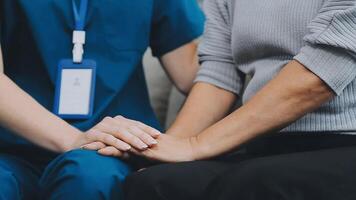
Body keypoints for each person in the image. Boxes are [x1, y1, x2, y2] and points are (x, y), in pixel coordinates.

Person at [121, 0, 356, 199]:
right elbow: (218, 71)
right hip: (265, 143)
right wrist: (163, 149)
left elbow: (320, 73)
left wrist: (195, 145)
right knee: (151, 184)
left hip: (344, 141)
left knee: (251, 182)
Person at [0, 0, 204, 199]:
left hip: (110, 152)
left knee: (91, 179)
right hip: (13, 149)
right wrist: (74, 140)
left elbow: (189, 72)